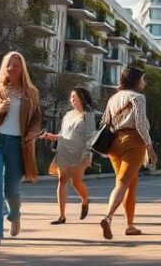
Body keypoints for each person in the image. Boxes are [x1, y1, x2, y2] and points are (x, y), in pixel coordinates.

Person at [0, 51, 43, 249]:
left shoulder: (31, 93)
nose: (12, 68)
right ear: (4, 68)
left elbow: (37, 119)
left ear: (22, 69)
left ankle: (15, 214)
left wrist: (32, 133)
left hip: (18, 146)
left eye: (16, 65)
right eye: (9, 65)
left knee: (11, 190)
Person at [97, 66, 156, 240]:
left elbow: (105, 122)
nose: (144, 83)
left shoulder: (113, 98)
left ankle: (130, 225)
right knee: (123, 182)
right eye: (143, 79)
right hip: (133, 141)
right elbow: (140, 123)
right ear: (136, 81)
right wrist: (150, 147)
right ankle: (108, 217)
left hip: (115, 142)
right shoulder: (138, 97)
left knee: (130, 182)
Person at [40, 87, 95, 224]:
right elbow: (63, 135)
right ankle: (62, 216)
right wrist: (51, 136)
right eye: (71, 97)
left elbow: (90, 136)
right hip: (63, 151)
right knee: (62, 180)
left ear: (81, 98)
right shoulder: (67, 115)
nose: (72, 100)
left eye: (74, 97)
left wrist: (87, 153)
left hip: (80, 153)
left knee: (76, 182)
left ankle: (85, 201)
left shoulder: (88, 115)